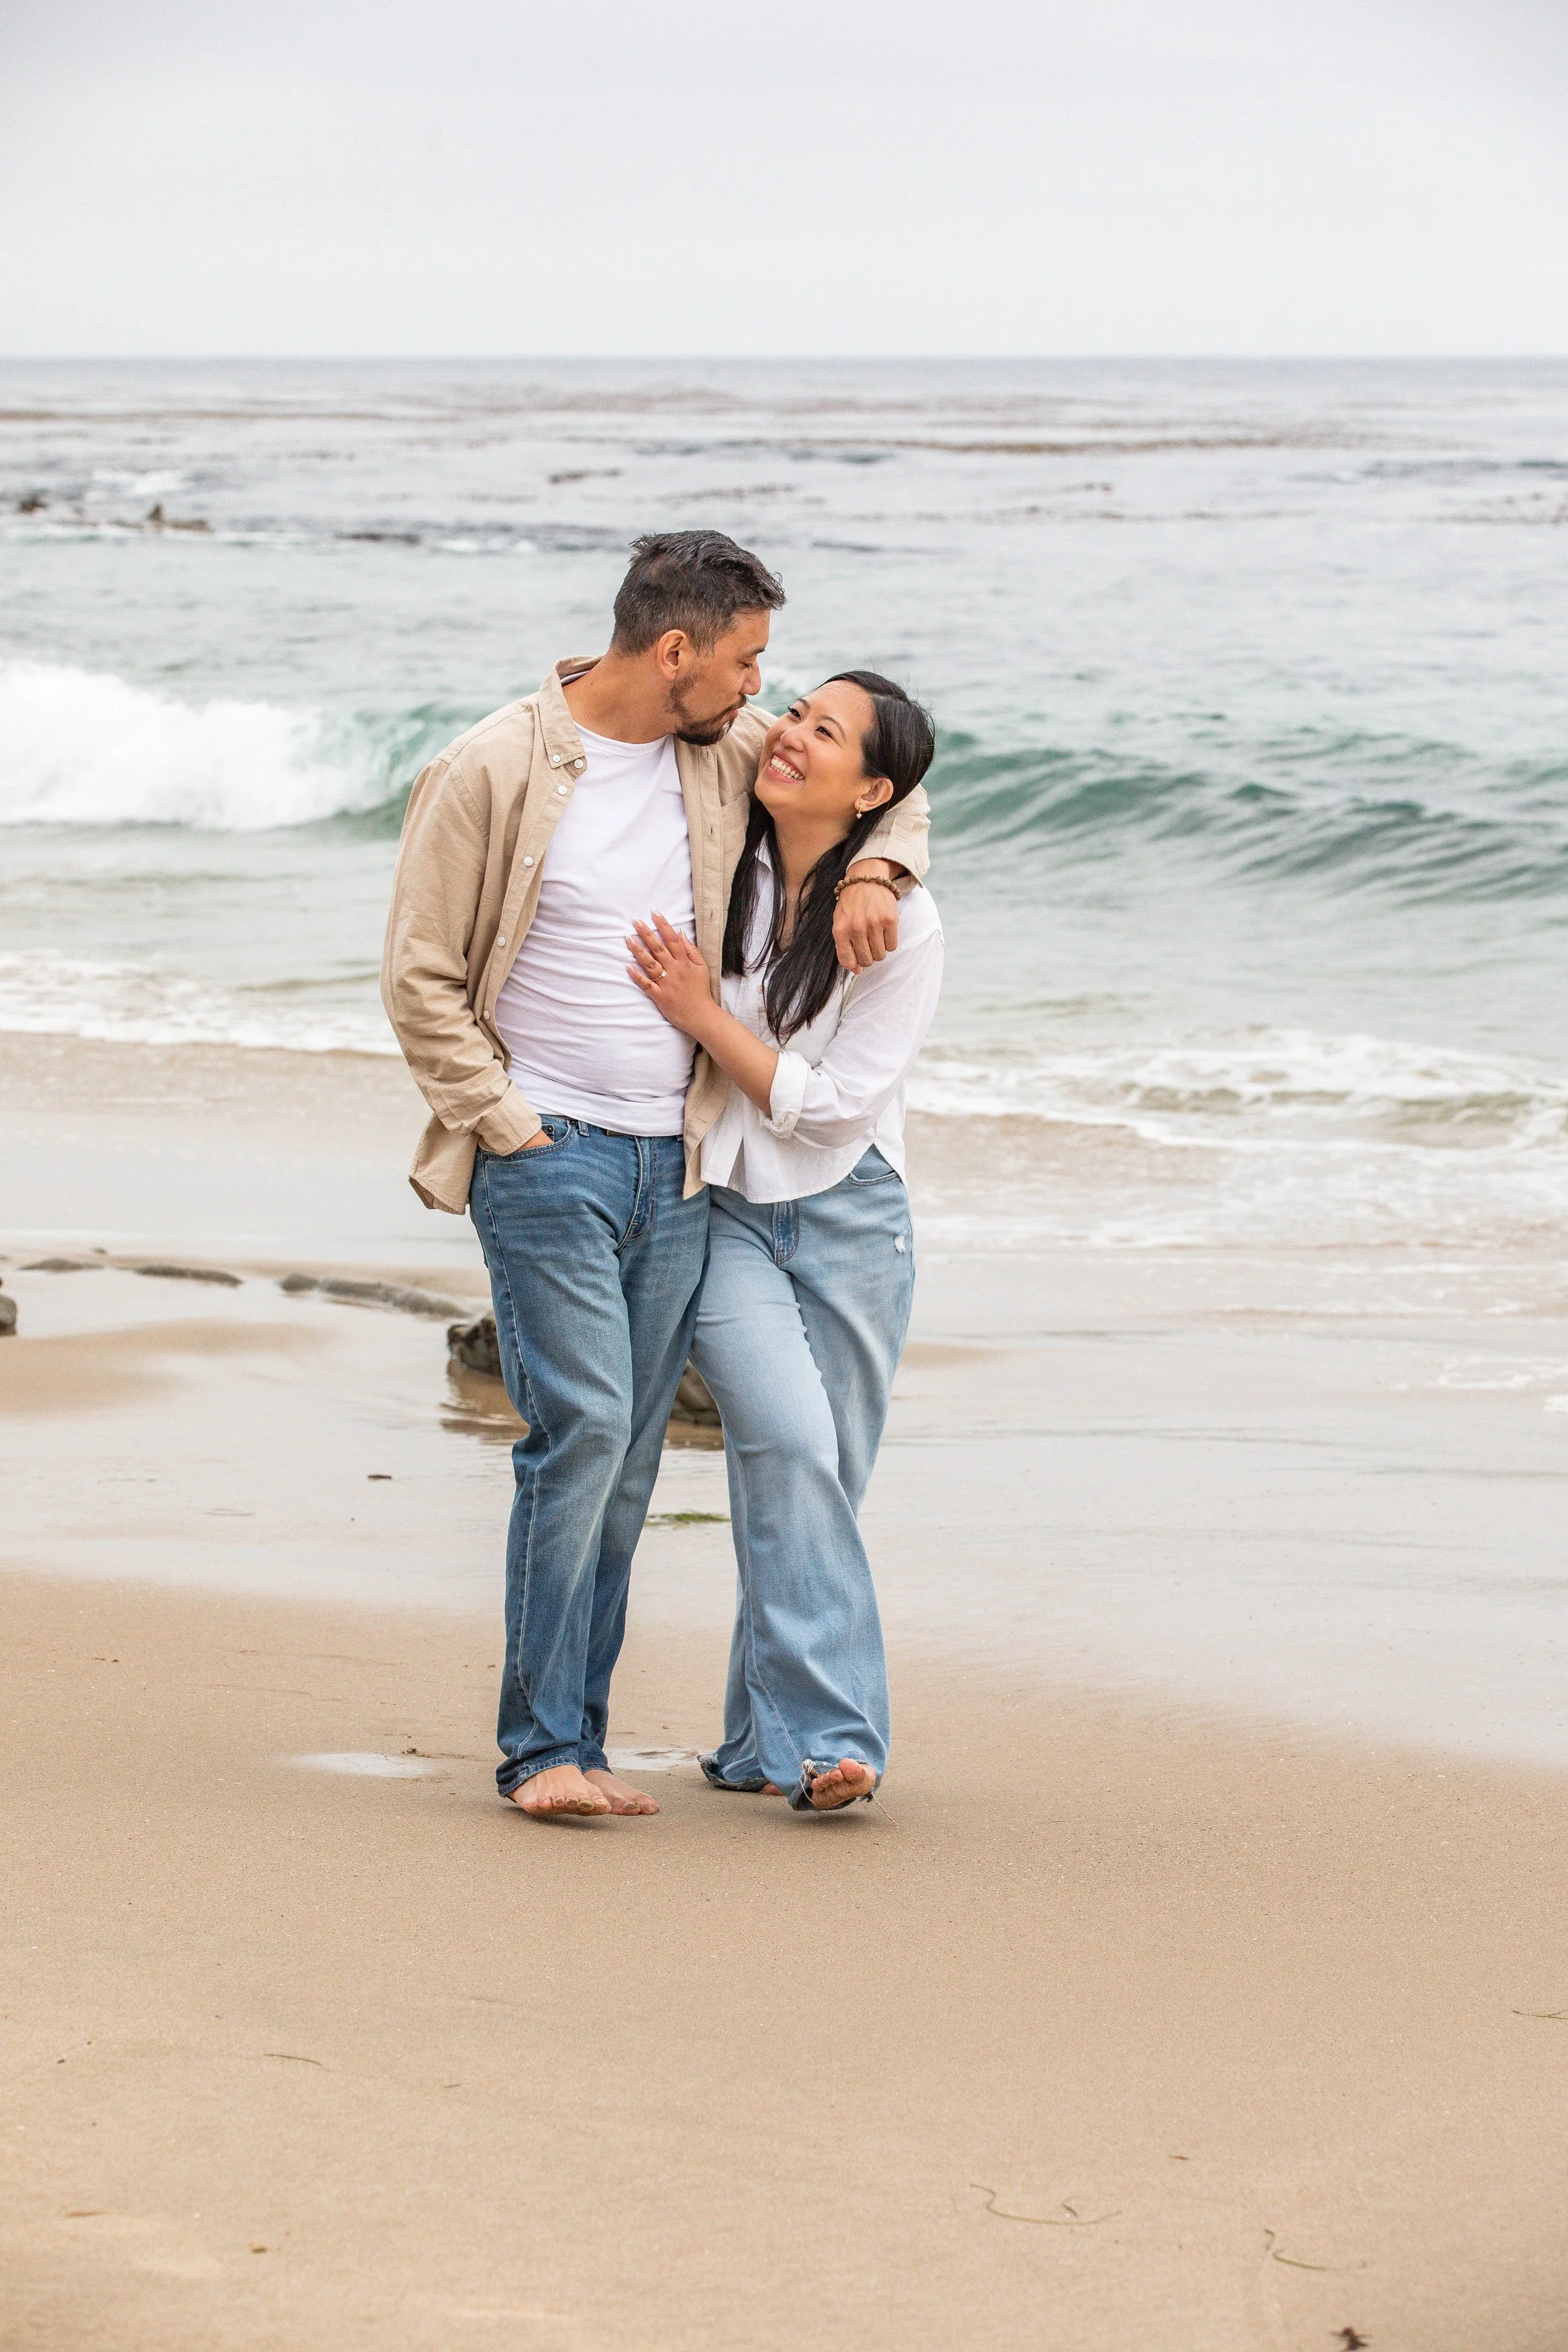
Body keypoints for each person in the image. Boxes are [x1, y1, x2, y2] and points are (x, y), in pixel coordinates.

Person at [380, 534, 930, 1820]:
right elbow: (416, 977)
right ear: (674, 652)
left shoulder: (723, 752)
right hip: (549, 1156)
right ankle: (539, 1753)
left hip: (679, 1168)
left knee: (625, 1459)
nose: (761, 692)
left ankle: (584, 1737)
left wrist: (877, 865)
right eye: (744, 662)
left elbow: (888, 786)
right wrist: (507, 1124)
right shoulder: (493, 767)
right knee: (578, 1435)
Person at [626, 670, 941, 1812]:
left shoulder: (902, 922)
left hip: (856, 1215)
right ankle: (836, 1737)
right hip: (727, 1212)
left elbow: (837, 1106)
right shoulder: (729, 846)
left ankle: (759, 1744)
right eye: (795, 710)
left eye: (825, 732)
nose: (790, 735)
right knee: (793, 1445)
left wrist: (705, 1015)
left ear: (873, 789)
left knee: (820, 1483)